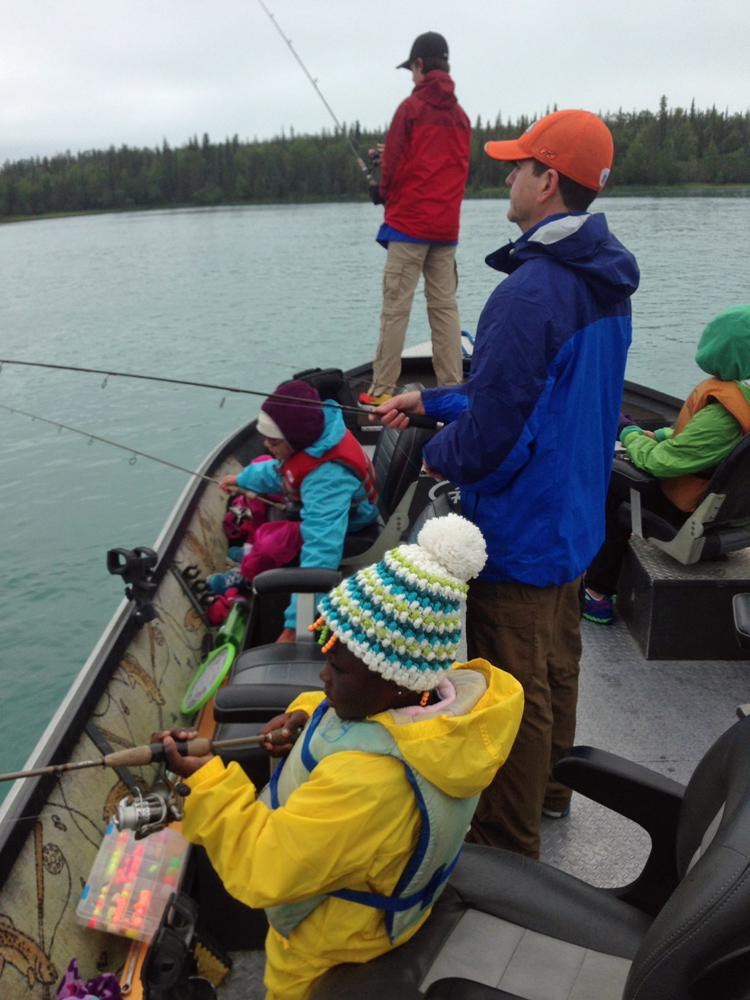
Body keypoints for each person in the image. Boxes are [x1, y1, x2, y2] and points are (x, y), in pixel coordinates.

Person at [374, 109, 640, 858]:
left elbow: (495, 436)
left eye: (519, 166)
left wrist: (439, 455)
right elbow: (529, 395)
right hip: (574, 521)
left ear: (548, 181)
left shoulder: (529, 294)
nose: (507, 177)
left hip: (521, 534)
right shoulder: (604, 280)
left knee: (511, 692)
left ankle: (508, 848)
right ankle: (553, 796)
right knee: (557, 669)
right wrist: (431, 401)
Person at [157, 514, 524, 1000]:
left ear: (394, 678)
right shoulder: (433, 704)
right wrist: (305, 716)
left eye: (335, 665)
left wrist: (205, 782)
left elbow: (265, 869)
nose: (322, 680)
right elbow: (361, 718)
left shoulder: (370, 784)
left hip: (331, 944)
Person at [584, 303, 750, 624]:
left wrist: (630, 433)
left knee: (613, 477)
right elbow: (696, 441)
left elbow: (660, 464)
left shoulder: (721, 414)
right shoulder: (740, 399)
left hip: (686, 511)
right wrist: (658, 433)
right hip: (731, 512)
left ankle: (597, 591)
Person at [209, 380, 379, 641]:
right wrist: (242, 479)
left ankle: (244, 574)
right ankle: (247, 556)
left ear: (294, 440)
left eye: (274, 441)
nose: (266, 443)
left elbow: (321, 551)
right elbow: (281, 470)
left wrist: (294, 626)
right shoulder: (312, 438)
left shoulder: (328, 477)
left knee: (270, 541)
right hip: (318, 499)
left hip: (348, 522)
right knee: (261, 463)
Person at [359, 31, 470, 407]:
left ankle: (381, 391)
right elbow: (445, 166)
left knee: (396, 308)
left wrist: (381, 192)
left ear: (421, 65)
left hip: (408, 227)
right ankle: (453, 387)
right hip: (445, 230)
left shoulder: (409, 109)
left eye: (411, 69)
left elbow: (391, 169)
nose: (410, 76)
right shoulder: (461, 118)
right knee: (444, 308)